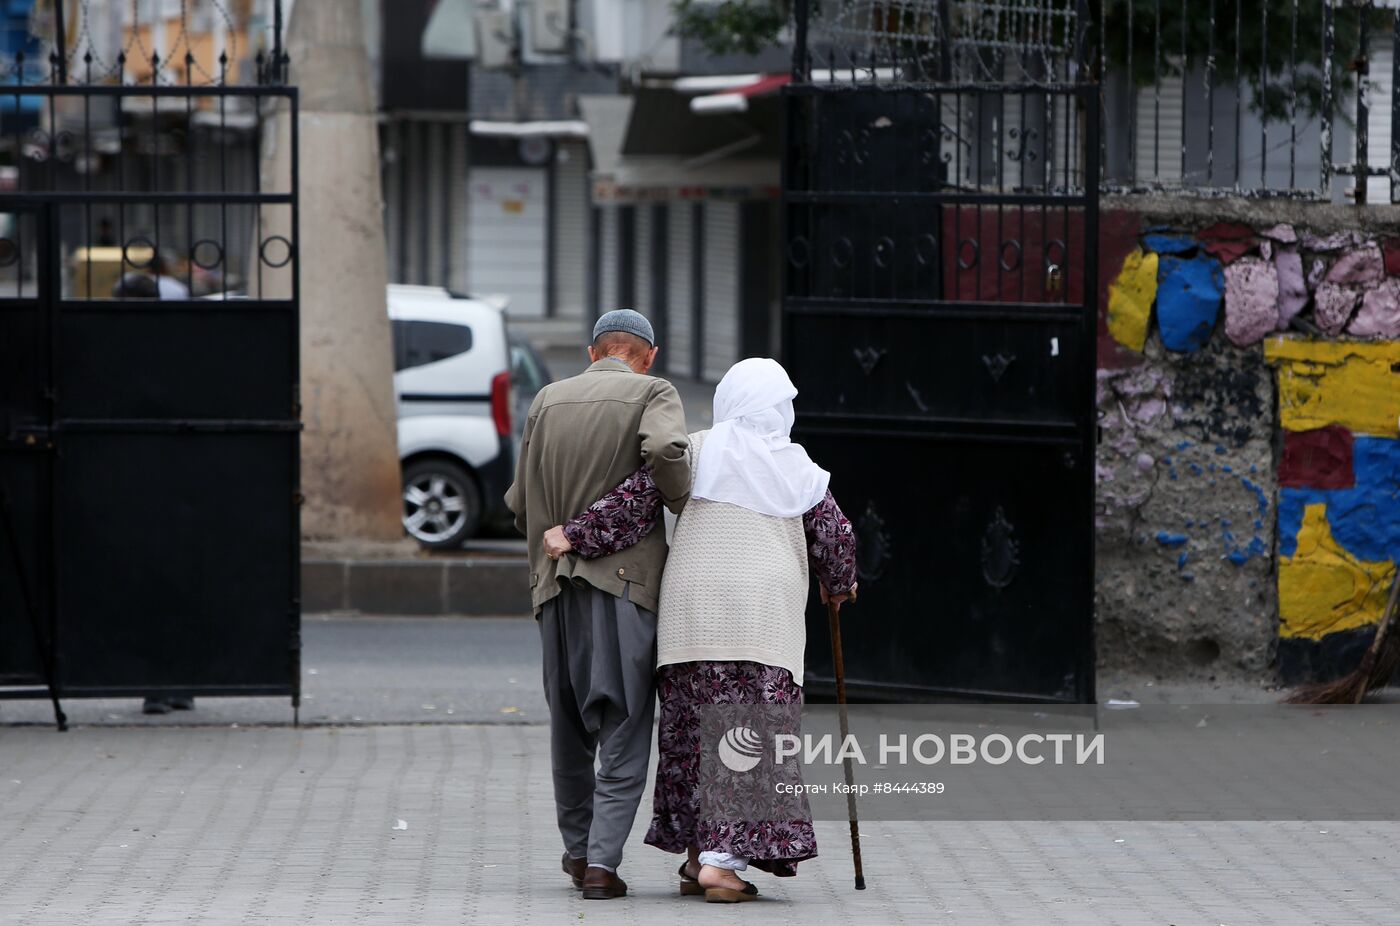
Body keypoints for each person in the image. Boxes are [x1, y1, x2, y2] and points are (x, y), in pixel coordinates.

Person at [545, 357, 858, 903]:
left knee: (692, 737)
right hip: (762, 620)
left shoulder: (697, 449)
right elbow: (836, 539)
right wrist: (840, 584)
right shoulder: (799, 468)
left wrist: (575, 534)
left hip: (691, 617)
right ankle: (720, 866)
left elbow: (634, 503)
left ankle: (697, 859)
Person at [505, 309, 691, 900]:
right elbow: (665, 447)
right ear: (648, 354)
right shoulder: (653, 391)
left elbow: (518, 503)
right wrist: (680, 498)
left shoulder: (546, 401)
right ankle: (602, 867)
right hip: (625, 587)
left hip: (553, 588)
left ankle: (578, 848)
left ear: (593, 353)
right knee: (625, 726)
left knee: (568, 727)